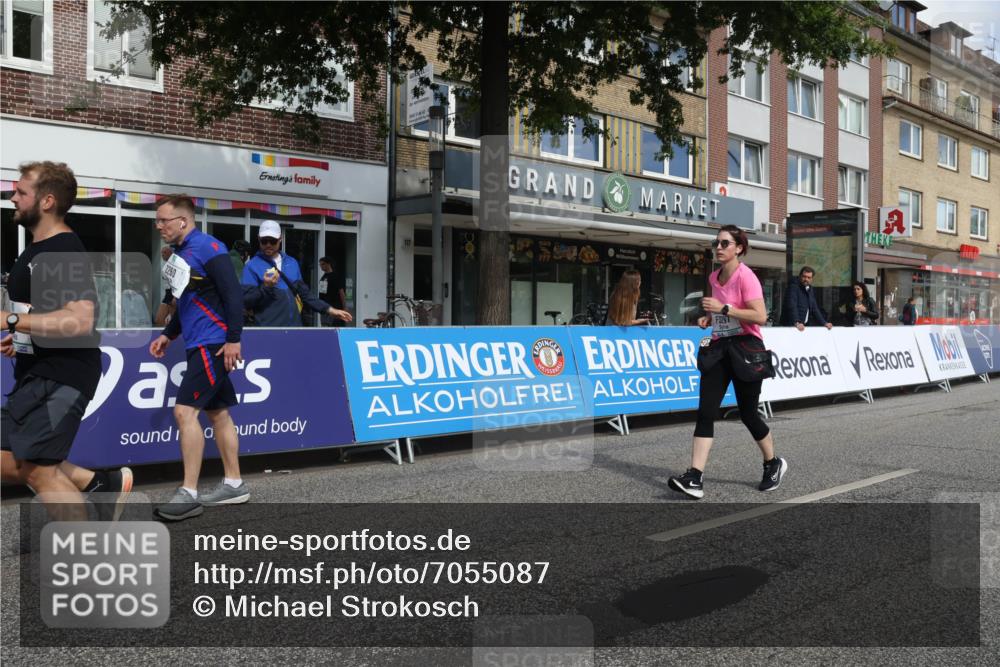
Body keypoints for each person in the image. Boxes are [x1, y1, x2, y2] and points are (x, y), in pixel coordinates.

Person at [0, 161, 132, 521]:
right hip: (40, 369)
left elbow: (80, 320)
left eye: (20, 192)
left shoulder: (63, 252)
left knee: (38, 471)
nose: (12, 197)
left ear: (46, 201)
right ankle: (98, 484)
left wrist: (10, 320)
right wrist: (23, 336)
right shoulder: (36, 248)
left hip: (63, 376)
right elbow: (49, 313)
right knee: (7, 461)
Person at [148, 194, 248, 522]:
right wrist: (168, 334)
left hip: (213, 343)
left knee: (183, 412)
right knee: (218, 414)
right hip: (199, 342)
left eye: (164, 220)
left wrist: (233, 339)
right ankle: (234, 484)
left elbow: (233, 295)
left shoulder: (209, 248)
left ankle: (188, 492)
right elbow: (188, 301)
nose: (158, 225)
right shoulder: (180, 254)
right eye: (158, 219)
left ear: (183, 221)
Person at [668, 225, 786, 499]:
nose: (718, 248)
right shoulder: (714, 276)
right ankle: (695, 477)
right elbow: (722, 314)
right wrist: (709, 319)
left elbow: (759, 316)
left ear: (739, 248)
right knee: (705, 411)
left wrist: (723, 309)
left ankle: (772, 463)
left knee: (748, 414)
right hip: (719, 348)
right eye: (716, 243)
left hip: (745, 348)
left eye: (724, 243)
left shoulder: (747, 277)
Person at [242, 221, 353, 327]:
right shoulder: (251, 266)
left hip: (294, 328)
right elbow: (246, 301)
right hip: (267, 330)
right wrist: (265, 287)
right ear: (258, 239)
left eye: (273, 240)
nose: (268, 244)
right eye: (264, 241)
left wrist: (330, 310)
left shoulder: (292, 262)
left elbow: (305, 294)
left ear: (280, 239)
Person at [781, 266, 833, 331]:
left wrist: (824, 323)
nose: (806, 279)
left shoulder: (809, 289)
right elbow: (792, 306)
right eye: (804, 276)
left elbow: (814, 308)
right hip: (791, 326)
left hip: (803, 326)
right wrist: (797, 322)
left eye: (809, 277)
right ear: (800, 276)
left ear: (812, 279)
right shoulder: (793, 287)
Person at [318, 256, 349, 327]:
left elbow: (341, 292)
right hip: (324, 306)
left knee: (334, 326)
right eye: (320, 265)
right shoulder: (324, 276)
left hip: (334, 306)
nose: (321, 266)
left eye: (323, 264)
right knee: (325, 325)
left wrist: (345, 306)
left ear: (328, 264)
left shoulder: (335, 276)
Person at [154, 246, 177, 327]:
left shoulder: (176, 266)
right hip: (167, 294)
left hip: (174, 294)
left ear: (171, 254)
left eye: (165, 253)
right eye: (162, 253)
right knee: (159, 320)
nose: (162, 255)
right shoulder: (165, 266)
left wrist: (175, 297)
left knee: (172, 320)